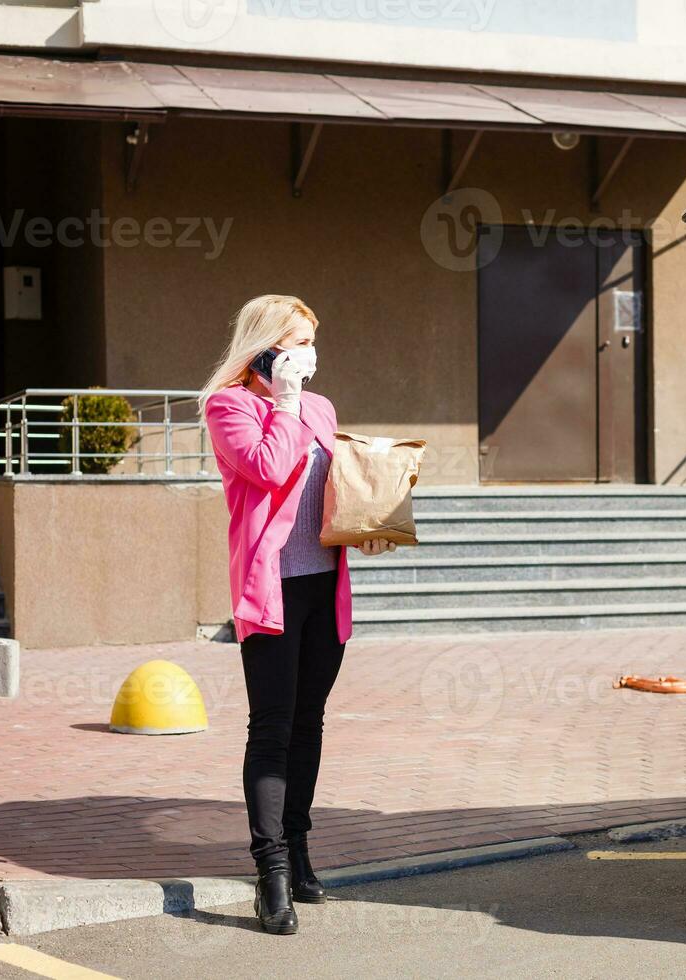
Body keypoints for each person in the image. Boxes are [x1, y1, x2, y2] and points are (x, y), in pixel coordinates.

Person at [200, 295, 396, 936]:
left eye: (313, 342)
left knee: (309, 724)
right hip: (271, 590)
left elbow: (329, 486)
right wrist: (282, 401)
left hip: (322, 586)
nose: (308, 355)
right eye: (296, 342)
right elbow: (267, 467)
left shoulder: (321, 407)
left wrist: (365, 524)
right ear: (265, 347)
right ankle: (271, 872)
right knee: (274, 729)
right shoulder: (230, 406)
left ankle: (301, 848)